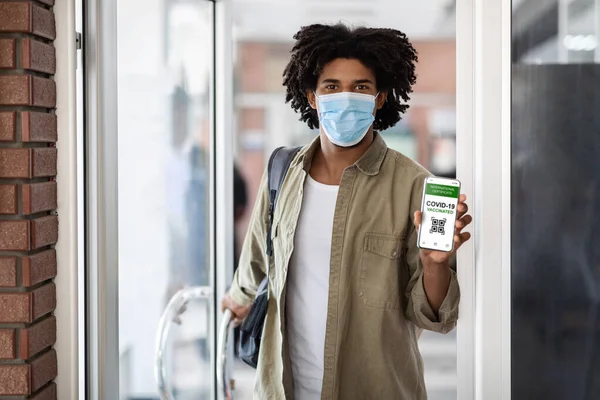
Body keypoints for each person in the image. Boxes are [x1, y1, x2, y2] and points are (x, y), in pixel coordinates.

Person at [222, 23, 472, 400]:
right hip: (283, 389)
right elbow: (256, 260)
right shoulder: (281, 174)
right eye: (332, 86)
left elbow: (433, 317)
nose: (345, 97)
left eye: (360, 87)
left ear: (380, 98)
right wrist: (236, 304)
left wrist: (435, 265)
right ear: (311, 96)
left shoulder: (413, 186)